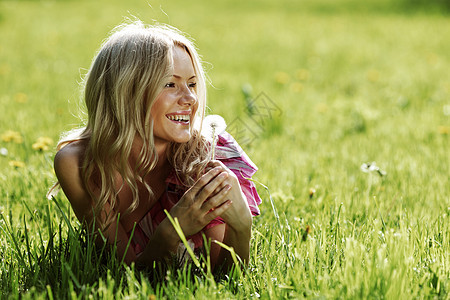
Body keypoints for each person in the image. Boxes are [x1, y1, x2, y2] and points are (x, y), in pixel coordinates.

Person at [50, 20, 262, 271]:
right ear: (126, 91)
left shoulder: (208, 158)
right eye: (170, 84)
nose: (191, 99)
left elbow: (221, 277)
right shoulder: (78, 164)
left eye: (192, 84)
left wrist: (242, 226)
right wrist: (170, 234)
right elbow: (124, 273)